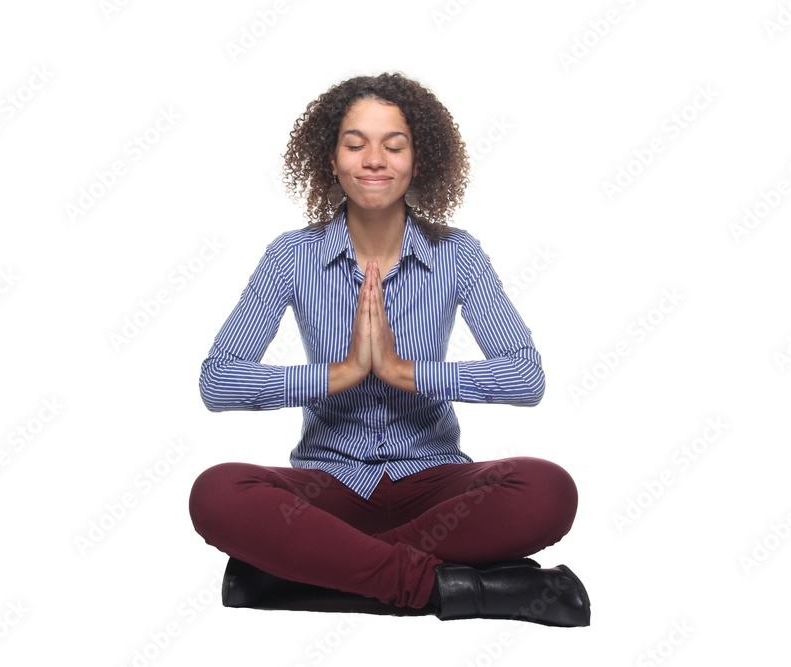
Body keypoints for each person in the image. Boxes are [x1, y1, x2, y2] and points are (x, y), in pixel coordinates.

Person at [188, 72, 589, 626]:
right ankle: (452, 587)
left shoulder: (458, 255)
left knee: (546, 489)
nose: (374, 159)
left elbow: (525, 378)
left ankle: (305, 572)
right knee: (218, 492)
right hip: (326, 486)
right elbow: (218, 382)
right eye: (355, 144)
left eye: (393, 145)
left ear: (418, 160)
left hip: (436, 486)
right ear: (331, 160)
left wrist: (407, 372)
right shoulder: (290, 256)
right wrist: (341, 373)